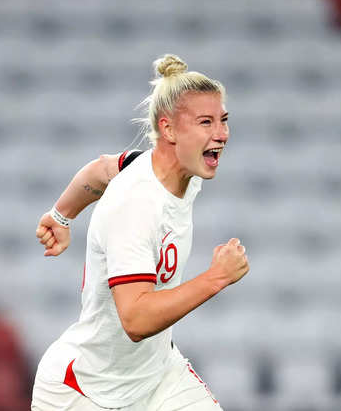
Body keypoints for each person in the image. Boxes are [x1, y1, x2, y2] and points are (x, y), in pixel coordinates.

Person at [31, 55, 249, 411]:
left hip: (158, 380)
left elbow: (101, 169)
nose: (221, 134)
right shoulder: (135, 204)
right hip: (84, 393)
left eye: (223, 121)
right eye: (206, 122)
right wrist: (216, 278)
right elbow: (135, 319)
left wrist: (61, 215)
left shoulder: (161, 168)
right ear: (169, 130)